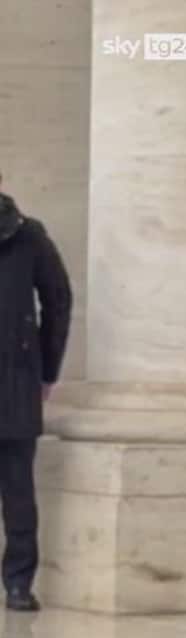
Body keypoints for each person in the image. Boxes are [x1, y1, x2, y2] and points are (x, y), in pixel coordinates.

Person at [0, 176, 73, 612]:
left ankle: (18, 581)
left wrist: (47, 367)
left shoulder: (28, 235)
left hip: (15, 380)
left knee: (18, 491)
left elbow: (58, 298)